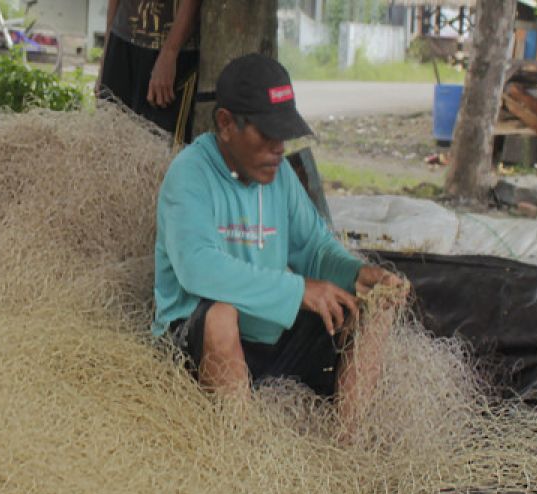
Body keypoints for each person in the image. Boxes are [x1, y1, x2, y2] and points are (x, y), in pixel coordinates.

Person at [152, 53, 408, 420]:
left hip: (266, 334)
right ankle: (240, 453)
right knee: (221, 316)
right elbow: (198, 269)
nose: (279, 147)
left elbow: (314, 249)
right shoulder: (190, 174)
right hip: (196, 342)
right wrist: (298, 290)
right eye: (267, 133)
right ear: (225, 124)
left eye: (284, 134)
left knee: (370, 308)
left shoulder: (279, 175)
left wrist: (356, 274)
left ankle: (349, 457)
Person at [97, 0, 201, 143]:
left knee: (159, 148)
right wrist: (106, 56)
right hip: (121, 41)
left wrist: (170, 53)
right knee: (109, 140)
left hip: (171, 52)